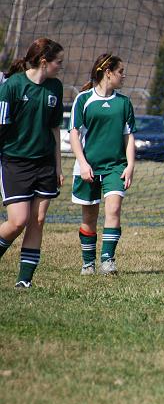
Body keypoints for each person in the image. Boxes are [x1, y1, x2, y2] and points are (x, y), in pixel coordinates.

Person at [0, 38, 65, 288]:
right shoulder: (13, 86)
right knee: (18, 221)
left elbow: (54, 128)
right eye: (58, 62)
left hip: (45, 163)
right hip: (15, 162)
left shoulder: (55, 88)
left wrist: (58, 166)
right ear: (43, 61)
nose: (61, 66)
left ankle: (24, 281)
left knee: (37, 220)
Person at [69, 54, 136, 276]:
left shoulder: (124, 102)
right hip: (87, 167)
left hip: (115, 167)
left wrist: (130, 165)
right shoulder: (83, 99)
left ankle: (108, 260)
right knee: (89, 218)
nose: (124, 75)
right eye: (120, 71)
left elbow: (129, 137)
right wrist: (83, 163)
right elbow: (74, 134)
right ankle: (88, 263)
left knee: (114, 209)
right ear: (108, 72)